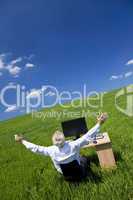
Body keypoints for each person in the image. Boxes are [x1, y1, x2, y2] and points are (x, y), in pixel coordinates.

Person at [15, 113, 108, 179]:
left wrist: (22, 140)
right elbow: (88, 136)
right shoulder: (74, 144)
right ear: (64, 139)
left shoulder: (50, 150)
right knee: (84, 158)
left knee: (76, 159)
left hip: (66, 176)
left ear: (53, 142)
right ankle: (86, 174)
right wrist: (99, 123)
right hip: (80, 173)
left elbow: (35, 148)